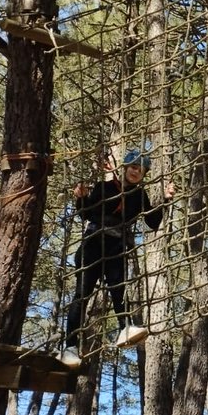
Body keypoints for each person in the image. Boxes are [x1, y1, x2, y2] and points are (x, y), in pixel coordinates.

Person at [59, 149, 174, 368]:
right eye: (133, 167)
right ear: (126, 168)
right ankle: (70, 346)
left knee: (119, 290)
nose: (136, 172)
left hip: (116, 247)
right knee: (82, 294)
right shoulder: (104, 187)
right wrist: (81, 198)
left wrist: (167, 201)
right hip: (93, 244)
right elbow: (85, 213)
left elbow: (152, 222)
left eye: (140, 170)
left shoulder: (139, 195)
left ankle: (125, 328)